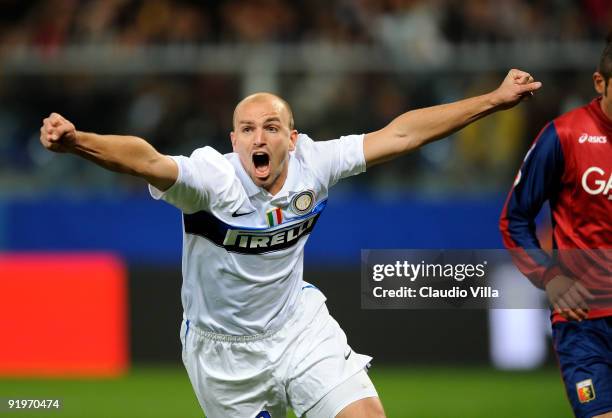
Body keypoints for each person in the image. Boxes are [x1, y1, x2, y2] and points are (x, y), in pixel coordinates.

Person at [41, 69, 540, 418]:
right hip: (223, 354)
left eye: (272, 127)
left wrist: (493, 100)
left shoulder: (315, 165)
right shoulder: (210, 180)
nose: (260, 138)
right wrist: (78, 141)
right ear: (234, 140)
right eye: (248, 129)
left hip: (298, 328)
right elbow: (146, 160)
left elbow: (403, 134)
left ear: (293, 139)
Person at [500, 40, 612, 418]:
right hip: (585, 323)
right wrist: (550, 277)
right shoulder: (564, 136)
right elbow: (514, 218)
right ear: (601, 82)